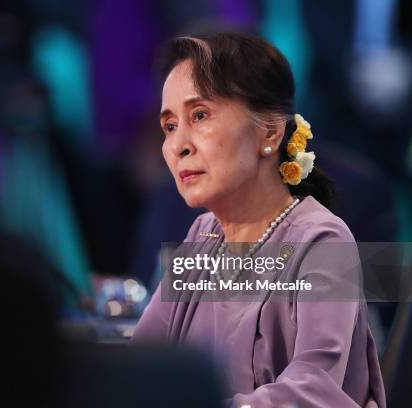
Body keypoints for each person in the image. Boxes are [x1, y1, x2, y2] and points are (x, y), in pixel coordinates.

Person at [132, 33, 386, 407]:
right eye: (170, 126)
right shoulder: (202, 238)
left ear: (269, 131)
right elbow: (142, 363)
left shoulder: (324, 242)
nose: (177, 145)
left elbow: (314, 389)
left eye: (199, 115)